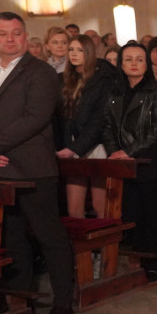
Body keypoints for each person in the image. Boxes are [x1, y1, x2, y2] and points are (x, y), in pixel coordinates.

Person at [0, 12, 76, 314]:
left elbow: (35, 116)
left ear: (25, 37)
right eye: (2, 34)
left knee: (48, 236)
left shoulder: (41, 72)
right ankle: (15, 300)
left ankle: (63, 304)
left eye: (16, 33)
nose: (9, 39)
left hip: (32, 168)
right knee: (8, 238)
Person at [103, 42, 157, 282]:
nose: (134, 63)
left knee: (152, 214)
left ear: (146, 64)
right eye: (128, 59)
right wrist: (114, 152)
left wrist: (129, 151)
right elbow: (107, 126)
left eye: (139, 59)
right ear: (121, 64)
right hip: (124, 163)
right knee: (132, 214)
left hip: (151, 162)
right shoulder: (114, 92)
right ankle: (140, 259)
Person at [56, 35, 117, 218]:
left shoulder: (102, 80)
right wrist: (66, 146)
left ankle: (106, 238)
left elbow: (99, 120)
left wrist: (76, 148)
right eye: (71, 49)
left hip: (96, 146)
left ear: (89, 52)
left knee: (101, 208)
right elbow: (62, 118)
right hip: (71, 145)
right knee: (74, 209)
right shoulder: (64, 79)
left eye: (80, 50)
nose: (74, 54)